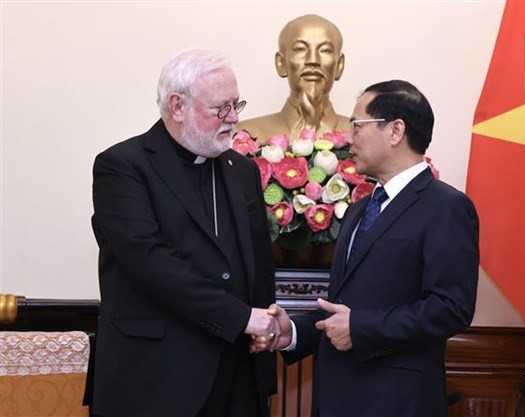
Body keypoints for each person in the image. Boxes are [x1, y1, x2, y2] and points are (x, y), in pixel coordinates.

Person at [253, 80, 480, 417]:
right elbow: (344, 306)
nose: (348, 137)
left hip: (397, 401)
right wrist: (294, 331)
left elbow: (451, 308)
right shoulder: (361, 207)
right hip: (335, 397)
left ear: (395, 131)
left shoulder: (445, 207)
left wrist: (360, 329)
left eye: (357, 126)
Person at [85, 48, 281, 417]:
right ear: (177, 106)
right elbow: (151, 263)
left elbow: (258, 265)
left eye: (236, 104)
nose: (235, 118)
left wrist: (264, 349)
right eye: (221, 108)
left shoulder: (242, 170)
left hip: (238, 374)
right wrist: (240, 317)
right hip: (156, 379)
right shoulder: (123, 167)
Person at [235, 14, 350, 142]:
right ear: (281, 63)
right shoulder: (247, 135)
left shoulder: (359, 137)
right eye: (300, 49)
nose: (313, 60)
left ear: (339, 65)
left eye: (325, 50)